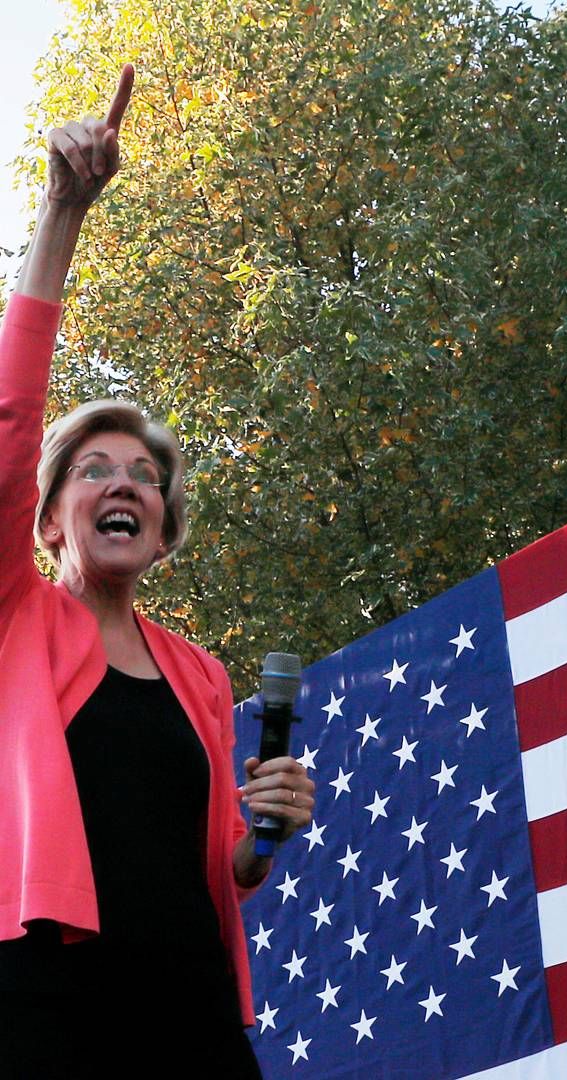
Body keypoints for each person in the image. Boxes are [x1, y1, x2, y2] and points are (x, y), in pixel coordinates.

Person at [0, 65, 315, 1075]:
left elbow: (225, 864)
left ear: (166, 528)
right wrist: (62, 211)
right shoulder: (17, 620)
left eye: (144, 474)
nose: (123, 482)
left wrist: (268, 833)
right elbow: (10, 424)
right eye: (94, 469)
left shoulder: (202, 676)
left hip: (191, 1014)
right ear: (48, 521)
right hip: (50, 1003)